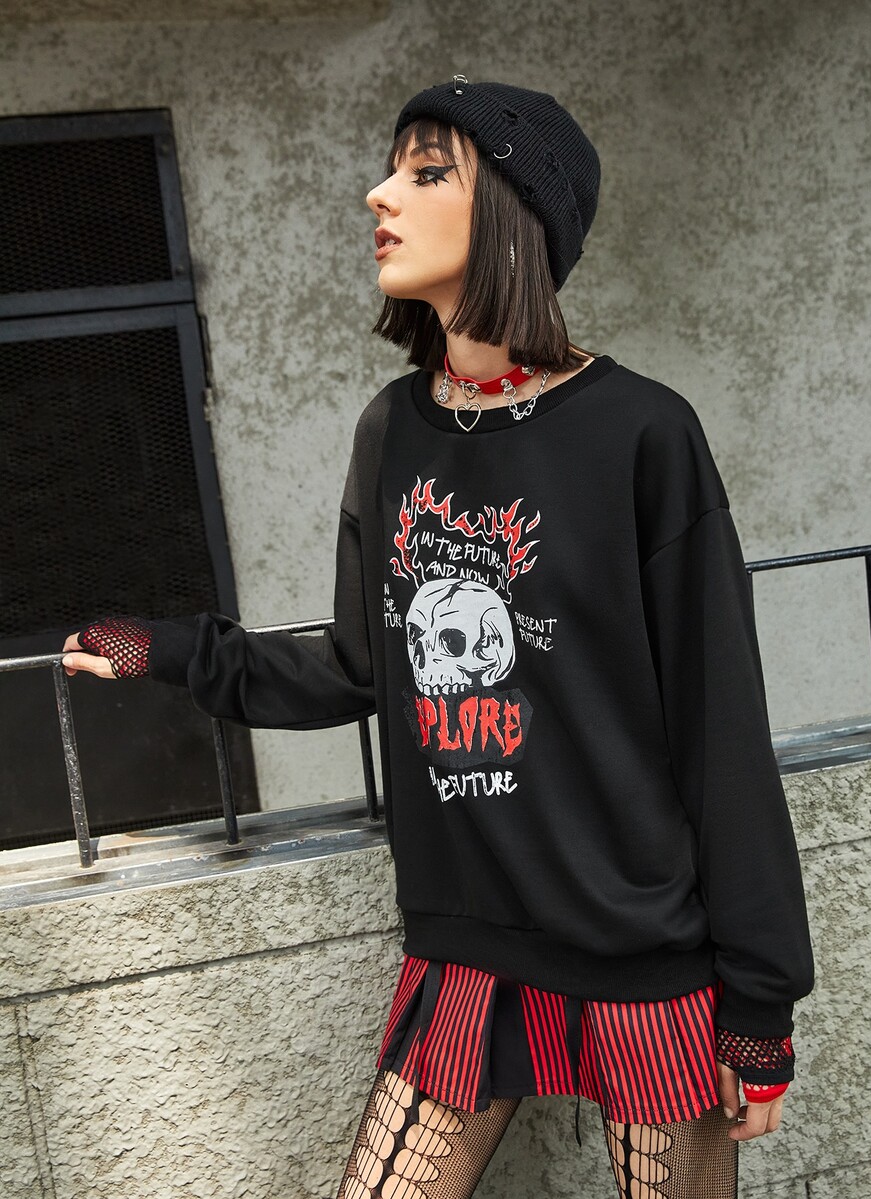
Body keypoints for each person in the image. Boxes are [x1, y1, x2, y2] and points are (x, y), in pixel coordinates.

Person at [62, 75, 815, 1199]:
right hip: (468, 943)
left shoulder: (642, 432)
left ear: (513, 210)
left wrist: (759, 1002)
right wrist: (173, 651)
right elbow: (359, 663)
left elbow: (721, 729)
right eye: (391, 170)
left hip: (644, 952)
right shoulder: (392, 430)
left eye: (424, 172)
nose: (380, 195)